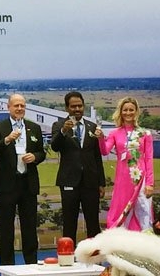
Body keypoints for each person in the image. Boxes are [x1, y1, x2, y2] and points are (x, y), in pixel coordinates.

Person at [0, 93, 46, 265]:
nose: (20, 108)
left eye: (22, 105)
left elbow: (42, 152)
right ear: (9, 107)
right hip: (7, 184)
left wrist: (35, 157)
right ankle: (7, 265)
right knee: (6, 227)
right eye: (16, 105)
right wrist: (7, 140)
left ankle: (31, 263)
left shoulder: (34, 127)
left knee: (29, 226)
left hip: (28, 183)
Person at [50, 91, 105, 244]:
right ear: (67, 108)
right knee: (69, 223)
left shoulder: (92, 127)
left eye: (80, 106)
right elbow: (54, 146)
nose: (77, 109)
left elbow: (97, 156)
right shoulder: (59, 126)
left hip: (90, 182)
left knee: (93, 223)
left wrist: (101, 182)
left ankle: (94, 256)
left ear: (83, 106)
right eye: (73, 106)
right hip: (69, 181)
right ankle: (69, 256)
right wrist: (63, 131)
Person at [99, 96, 154, 231]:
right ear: (120, 112)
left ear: (136, 111)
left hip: (140, 180)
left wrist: (150, 183)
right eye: (125, 110)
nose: (128, 113)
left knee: (143, 209)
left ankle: (144, 236)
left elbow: (149, 159)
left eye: (131, 110)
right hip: (123, 180)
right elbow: (105, 151)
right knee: (120, 209)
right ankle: (119, 237)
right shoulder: (114, 133)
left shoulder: (145, 134)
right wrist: (100, 138)